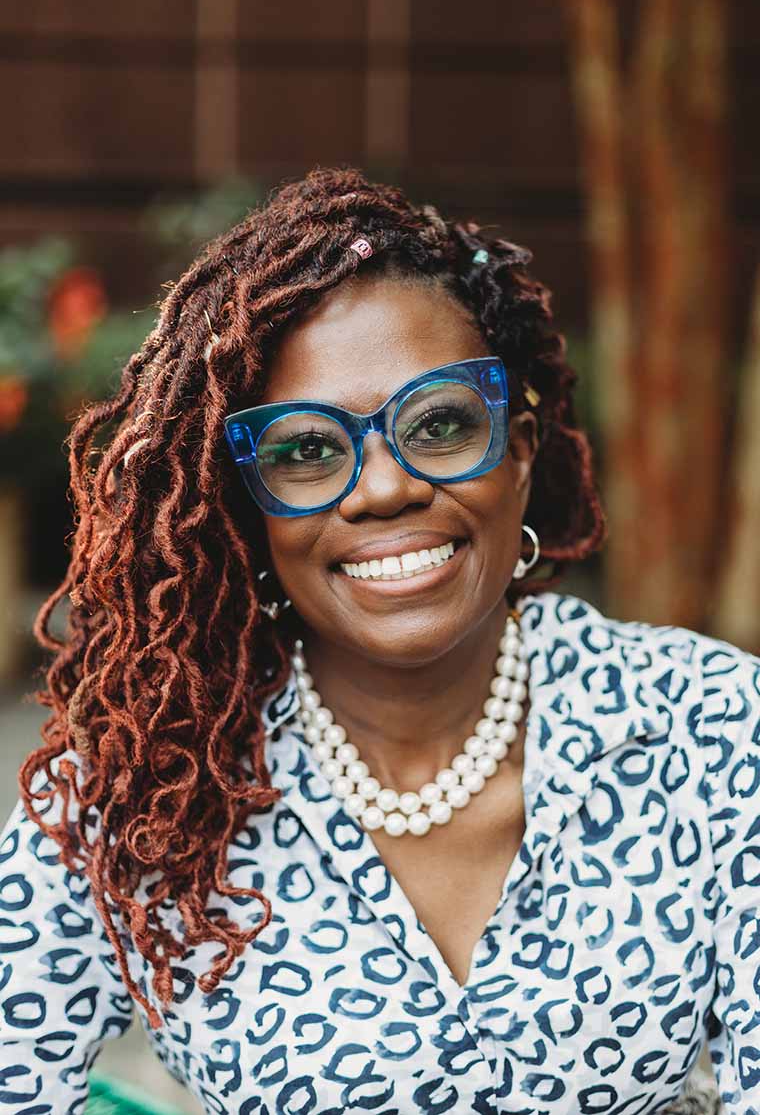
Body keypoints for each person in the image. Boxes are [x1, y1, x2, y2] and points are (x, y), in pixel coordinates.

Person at [0, 166, 755, 1115]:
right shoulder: (152, 778)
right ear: (249, 511)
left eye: (438, 425)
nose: (384, 488)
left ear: (520, 453)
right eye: (307, 449)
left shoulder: (715, 730)